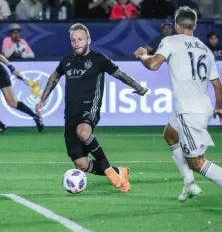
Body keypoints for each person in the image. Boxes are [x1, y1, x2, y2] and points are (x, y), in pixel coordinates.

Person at [134, 7, 222, 209]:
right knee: (170, 134)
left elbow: (154, 64)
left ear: (176, 25)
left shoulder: (170, 41)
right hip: (203, 108)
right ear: (195, 26)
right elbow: (218, 85)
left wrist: (143, 56)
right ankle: (189, 184)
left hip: (189, 112)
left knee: (197, 162)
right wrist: (218, 107)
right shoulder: (205, 49)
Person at [36, 23, 148, 192]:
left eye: (80, 39)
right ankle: (120, 171)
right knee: (81, 164)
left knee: (83, 132)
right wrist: (43, 98)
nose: (76, 43)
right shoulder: (66, 61)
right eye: (73, 40)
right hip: (70, 114)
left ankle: (109, 169)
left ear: (89, 40)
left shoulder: (98, 59)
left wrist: (138, 87)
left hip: (89, 107)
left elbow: (120, 73)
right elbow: (55, 76)